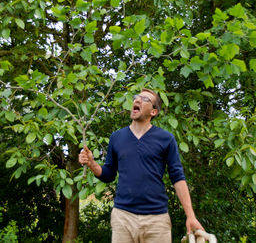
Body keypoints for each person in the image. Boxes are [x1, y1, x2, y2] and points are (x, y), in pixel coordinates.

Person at [79, 88, 204, 242]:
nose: (137, 100)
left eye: (145, 99)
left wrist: (190, 216)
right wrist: (91, 163)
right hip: (123, 217)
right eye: (136, 97)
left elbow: (177, 177)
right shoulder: (117, 137)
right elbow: (108, 174)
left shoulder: (166, 139)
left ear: (154, 112)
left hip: (157, 220)